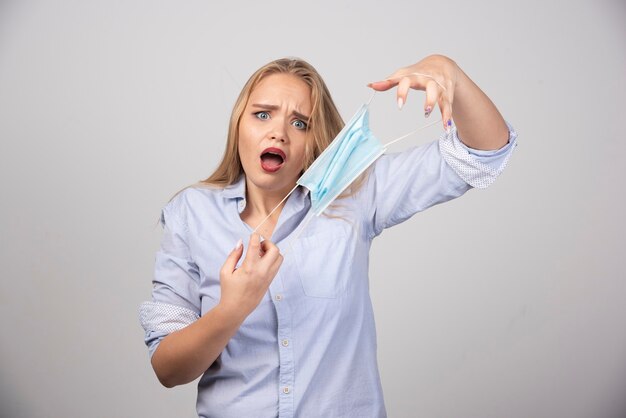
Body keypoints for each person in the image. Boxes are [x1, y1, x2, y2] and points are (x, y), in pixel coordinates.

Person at [139, 55, 517, 418]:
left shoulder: (354, 197)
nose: (278, 132)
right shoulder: (191, 215)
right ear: (240, 123)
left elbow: (485, 153)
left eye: (299, 123)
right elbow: (168, 369)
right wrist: (233, 308)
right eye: (262, 114)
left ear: (315, 142)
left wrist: (450, 72)